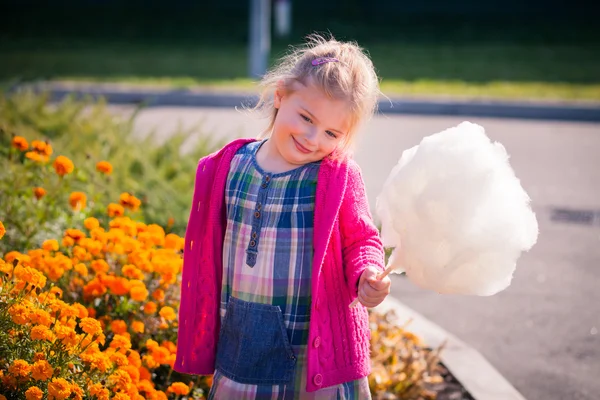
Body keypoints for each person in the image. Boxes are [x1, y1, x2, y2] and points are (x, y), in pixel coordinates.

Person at [174, 34, 392, 399]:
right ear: (280, 96)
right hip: (241, 342)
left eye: (331, 133)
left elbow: (362, 239)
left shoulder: (334, 176)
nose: (312, 137)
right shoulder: (230, 167)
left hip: (313, 357)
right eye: (306, 117)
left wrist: (367, 271)